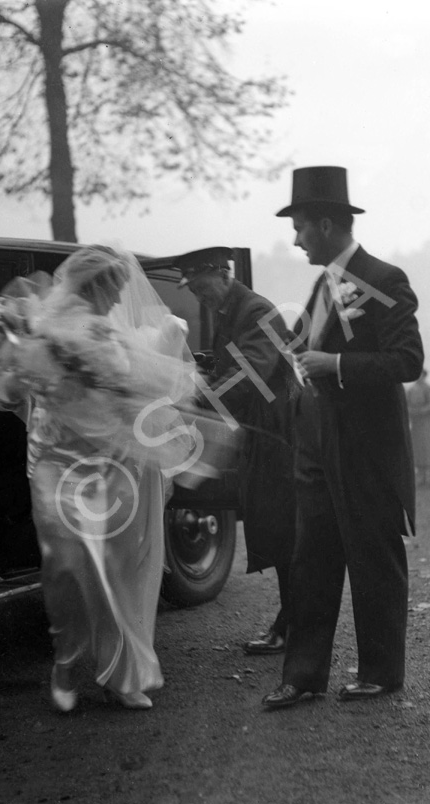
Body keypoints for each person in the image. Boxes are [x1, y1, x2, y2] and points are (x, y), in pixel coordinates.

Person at [0, 245, 197, 712]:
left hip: (109, 467)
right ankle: (64, 663)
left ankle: (122, 676)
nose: (120, 300)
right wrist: (19, 360)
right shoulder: (40, 327)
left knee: (118, 571)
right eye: (115, 289)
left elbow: (134, 389)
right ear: (95, 284)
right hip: (55, 467)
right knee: (65, 568)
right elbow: (6, 390)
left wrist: (162, 350)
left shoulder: (108, 333)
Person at [261, 166, 424, 709]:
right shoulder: (323, 283)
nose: (295, 237)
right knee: (312, 558)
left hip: (366, 448)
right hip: (318, 444)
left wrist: (333, 361)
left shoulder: (385, 278)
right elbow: (298, 340)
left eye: (301, 226)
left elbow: (407, 361)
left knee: (373, 557)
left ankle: (381, 672)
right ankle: (304, 677)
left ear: (326, 224)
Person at [175, 247, 299, 655]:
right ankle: (291, 623)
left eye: (200, 285)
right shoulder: (232, 311)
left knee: (285, 532)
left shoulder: (254, 310)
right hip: (261, 437)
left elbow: (251, 373)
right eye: (192, 289)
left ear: (222, 274)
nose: (198, 295)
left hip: (279, 438)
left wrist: (202, 396)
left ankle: (293, 626)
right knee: (277, 532)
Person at [406, 369, 430, 485]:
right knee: (417, 448)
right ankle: (420, 476)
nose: (419, 377)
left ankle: (429, 476)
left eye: (421, 375)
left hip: (426, 423)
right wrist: (412, 412)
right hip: (416, 424)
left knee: (428, 447)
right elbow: (406, 405)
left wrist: (421, 411)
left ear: (424, 376)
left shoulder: (429, 389)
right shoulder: (410, 390)